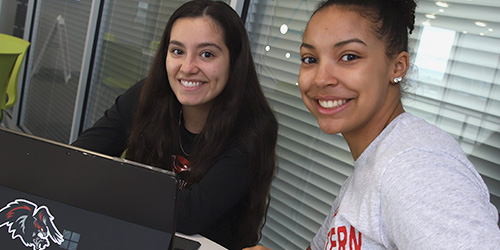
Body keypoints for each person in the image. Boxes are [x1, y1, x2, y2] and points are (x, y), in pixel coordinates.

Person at [245, 0, 500, 249]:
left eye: (349, 56)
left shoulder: (413, 167)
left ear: (397, 66)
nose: (321, 78)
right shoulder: (372, 165)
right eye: (310, 59)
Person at [72, 1, 278, 249]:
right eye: (177, 51)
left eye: (207, 54)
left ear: (234, 62)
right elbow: (78, 158)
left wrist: (112, 181)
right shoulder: (149, 95)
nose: (188, 68)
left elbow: (190, 215)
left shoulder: (253, 128)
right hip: (141, 237)